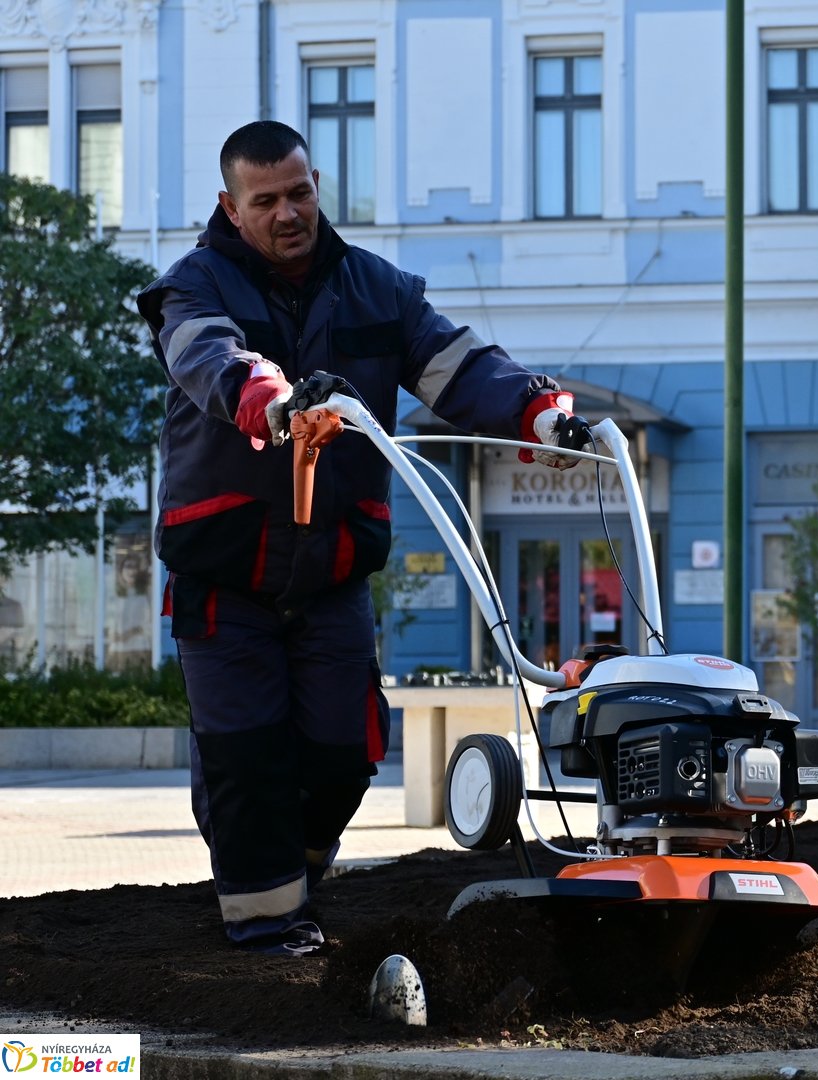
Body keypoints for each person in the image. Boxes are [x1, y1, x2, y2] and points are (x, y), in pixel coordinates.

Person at [137, 120, 588, 955]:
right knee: (246, 760)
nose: (287, 213)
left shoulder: (379, 291)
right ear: (230, 208)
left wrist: (540, 412)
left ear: (318, 188)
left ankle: (298, 875)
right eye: (264, 200)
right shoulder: (191, 289)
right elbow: (208, 356)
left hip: (332, 579)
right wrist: (268, 400)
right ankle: (268, 928)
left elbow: (457, 366)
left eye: (299, 193)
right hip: (225, 584)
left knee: (345, 752)